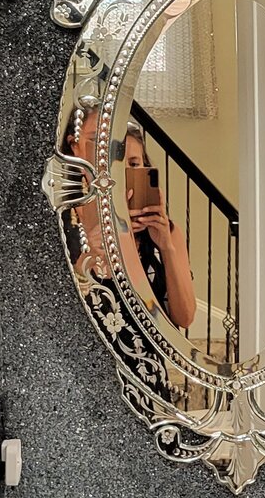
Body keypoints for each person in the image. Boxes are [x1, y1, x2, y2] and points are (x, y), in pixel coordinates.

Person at [65, 107, 197, 332]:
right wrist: (87, 262)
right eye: (110, 160)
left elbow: (184, 318)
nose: (121, 173)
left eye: (133, 164)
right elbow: (56, 315)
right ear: (76, 148)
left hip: (146, 365)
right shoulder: (66, 226)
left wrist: (166, 248)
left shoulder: (165, 233)